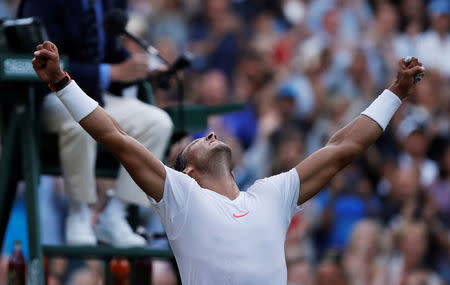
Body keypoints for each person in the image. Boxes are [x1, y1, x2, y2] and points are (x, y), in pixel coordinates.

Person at [32, 40, 424, 284]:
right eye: (200, 140)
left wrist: (395, 93)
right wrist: (62, 83)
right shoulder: (180, 196)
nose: (211, 134)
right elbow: (115, 137)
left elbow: (342, 149)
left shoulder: (273, 194)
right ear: (188, 170)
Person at [18, 0, 173, 246]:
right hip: (50, 96)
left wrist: (143, 67)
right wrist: (113, 73)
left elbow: (112, 53)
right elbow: (41, 60)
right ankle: (79, 213)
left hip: (98, 97)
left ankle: (115, 214)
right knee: (78, 119)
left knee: (158, 122)